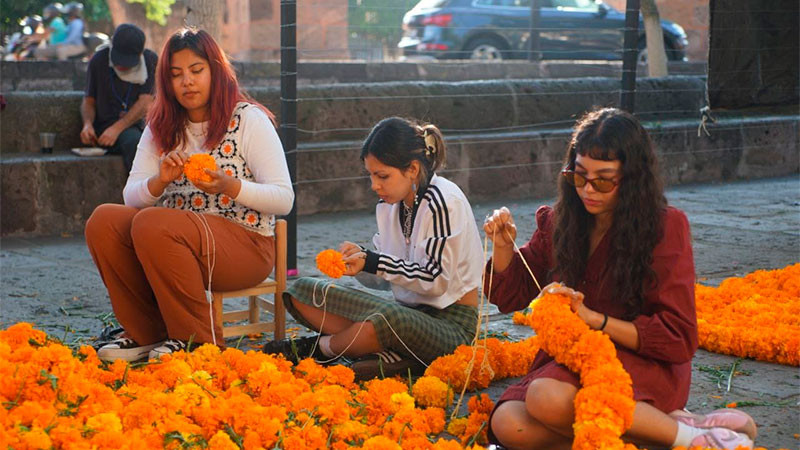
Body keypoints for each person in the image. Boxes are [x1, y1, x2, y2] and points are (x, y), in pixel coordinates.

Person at [482, 108, 757, 449]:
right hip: (575, 359)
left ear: (632, 178)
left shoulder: (665, 227)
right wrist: (503, 246)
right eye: (579, 176)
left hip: (645, 361)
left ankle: (690, 439)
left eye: (603, 180)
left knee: (545, 398)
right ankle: (661, 427)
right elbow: (512, 296)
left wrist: (594, 320)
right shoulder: (561, 221)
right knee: (509, 424)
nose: (588, 190)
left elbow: (678, 337)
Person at [84, 28, 294, 362]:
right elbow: (131, 199)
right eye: (176, 74)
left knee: (153, 223)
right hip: (171, 245)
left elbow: (284, 198)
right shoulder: (161, 126)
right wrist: (160, 181)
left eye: (196, 70)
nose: (187, 82)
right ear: (165, 82)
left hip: (245, 247)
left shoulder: (247, 119)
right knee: (104, 220)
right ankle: (145, 332)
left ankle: (197, 341)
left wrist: (229, 185)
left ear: (216, 70)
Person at [263, 117, 484, 380]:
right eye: (370, 175)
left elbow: (435, 281)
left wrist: (373, 261)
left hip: (451, 326)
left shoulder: (443, 201)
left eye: (382, 176)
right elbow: (384, 280)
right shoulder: (391, 205)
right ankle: (391, 354)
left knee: (383, 321)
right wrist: (359, 262)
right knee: (303, 290)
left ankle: (319, 349)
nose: (374, 185)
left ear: (412, 169)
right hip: (404, 316)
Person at [80, 23, 157, 173]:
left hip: (139, 125)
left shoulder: (150, 60)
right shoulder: (98, 60)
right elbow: (88, 101)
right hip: (106, 129)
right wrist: (87, 124)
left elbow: (145, 102)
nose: (121, 65)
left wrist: (117, 128)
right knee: (133, 141)